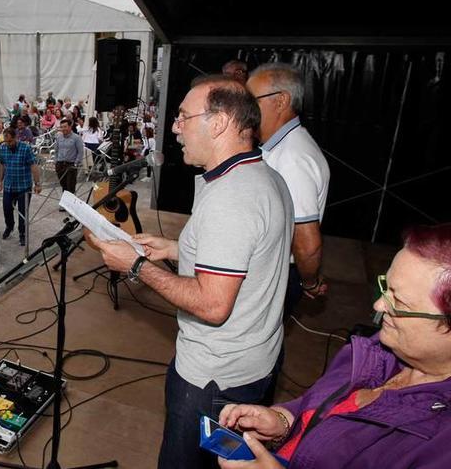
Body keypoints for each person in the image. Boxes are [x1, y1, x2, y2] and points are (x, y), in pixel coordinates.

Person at [86, 76, 293, 469]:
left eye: (183, 117)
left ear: (218, 123)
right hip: (255, 360)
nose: (175, 127)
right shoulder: (262, 176)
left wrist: (136, 266)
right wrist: (175, 249)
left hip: (213, 380)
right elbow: (247, 259)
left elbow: (213, 305)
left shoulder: (231, 198)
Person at [217, 224, 451, 469]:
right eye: (386, 288)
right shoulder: (375, 350)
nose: (379, 306)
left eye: (399, 301)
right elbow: (321, 407)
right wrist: (283, 421)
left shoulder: (442, 445)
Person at [247, 63, 331, 313]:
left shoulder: (292, 158)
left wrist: (309, 282)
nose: (245, 110)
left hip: (279, 273)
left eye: (251, 101)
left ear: (281, 100)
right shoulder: (280, 149)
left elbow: (307, 243)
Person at [0, 128, 41, 246]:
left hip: (24, 187)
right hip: (9, 186)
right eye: (6, 142)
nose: (8, 144)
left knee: (22, 212)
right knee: (7, 209)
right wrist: (0, 181)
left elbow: (33, 166)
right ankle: (9, 226)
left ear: (16, 138)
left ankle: (22, 233)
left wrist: (37, 183)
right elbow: (2, 165)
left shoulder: (25, 148)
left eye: (10, 141)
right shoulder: (3, 148)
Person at [53, 119, 84, 195]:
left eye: (65, 127)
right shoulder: (59, 137)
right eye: (62, 127)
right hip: (60, 165)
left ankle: (71, 204)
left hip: (71, 165)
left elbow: (80, 152)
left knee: (71, 186)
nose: (63, 129)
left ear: (70, 127)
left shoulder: (76, 138)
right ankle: (65, 203)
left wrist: (76, 163)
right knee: (63, 185)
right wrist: (56, 161)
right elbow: (56, 150)